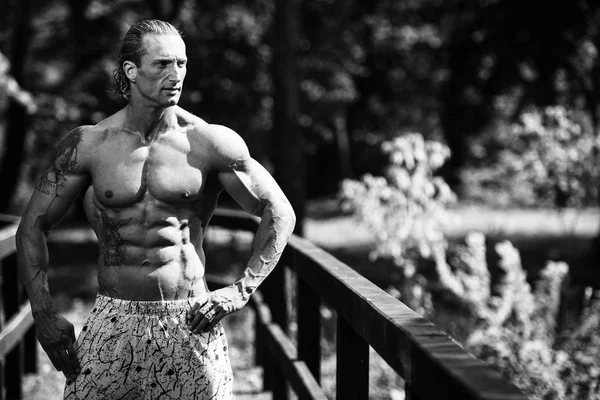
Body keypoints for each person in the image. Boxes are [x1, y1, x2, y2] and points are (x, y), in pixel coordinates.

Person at [16, 19, 296, 400]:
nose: (176, 74)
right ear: (131, 71)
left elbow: (279, 211)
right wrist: (43, 314)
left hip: (191, 320)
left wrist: (241, 290)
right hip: (114, 320)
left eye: (181, 63)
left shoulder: (209, 142)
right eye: (163, 64)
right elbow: (33, 224)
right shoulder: (89, 145)